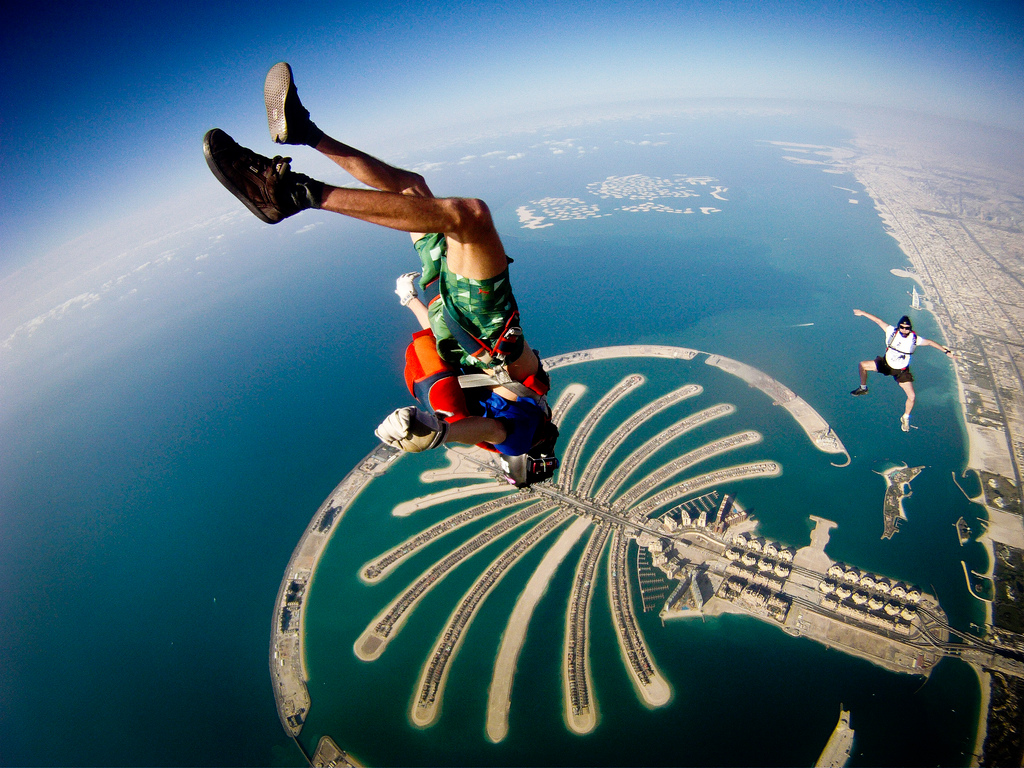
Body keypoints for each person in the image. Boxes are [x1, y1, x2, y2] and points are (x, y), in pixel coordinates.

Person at [203, 62, 557, 482]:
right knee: (412, 189)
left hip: (483, 326)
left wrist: (439, 433)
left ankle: (291, 194)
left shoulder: (519, 437)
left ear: (530, 461)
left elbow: (486, 430)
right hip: (455, 321)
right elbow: (462, 376)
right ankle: (304, 131)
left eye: (544, 461)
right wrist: (412, 303)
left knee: (470, 217)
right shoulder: (529, 414)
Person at [850, 309, 954, 431]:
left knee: (912, 396)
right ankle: (863, 388)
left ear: (910, 328)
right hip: (886, 364)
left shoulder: (914, 339)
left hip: (901, 371)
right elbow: (878, 321)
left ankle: (905, 417)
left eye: (907, 328)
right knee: (862, 365)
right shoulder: (891, 331)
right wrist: (862, 313)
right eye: (902, 327)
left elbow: (930, 342)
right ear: (899, 327)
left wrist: (946, 351)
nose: (904, 330)